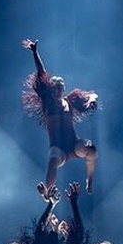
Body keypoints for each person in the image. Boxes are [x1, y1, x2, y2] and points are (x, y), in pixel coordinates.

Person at [21, 38, 100, 199]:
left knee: (91, 149)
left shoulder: (70, 100)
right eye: (55, 88)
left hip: (74, 145)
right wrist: (35, 52)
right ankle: (48, 193)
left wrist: (91, 101)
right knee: (52, 160)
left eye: (60, 88)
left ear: (63, 89)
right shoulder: (47, 102)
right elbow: (41, 73)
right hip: (58, 149)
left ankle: (89, 180)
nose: (58, 91)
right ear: (51, 89)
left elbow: (92, 95)